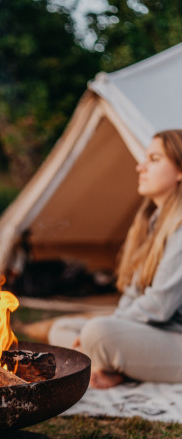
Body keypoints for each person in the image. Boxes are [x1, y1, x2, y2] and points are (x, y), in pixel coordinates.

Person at [49, 129, 182, 389]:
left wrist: (111, 327)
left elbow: (159, 306)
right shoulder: (152, 223)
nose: (140, 166)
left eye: (154, 159)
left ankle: (106, 362)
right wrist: (116, 323)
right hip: (154, 333)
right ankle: (109, 366)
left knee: (97, 333)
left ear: (179, 171)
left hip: (175, 338)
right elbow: (134, 295)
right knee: (61, 328)